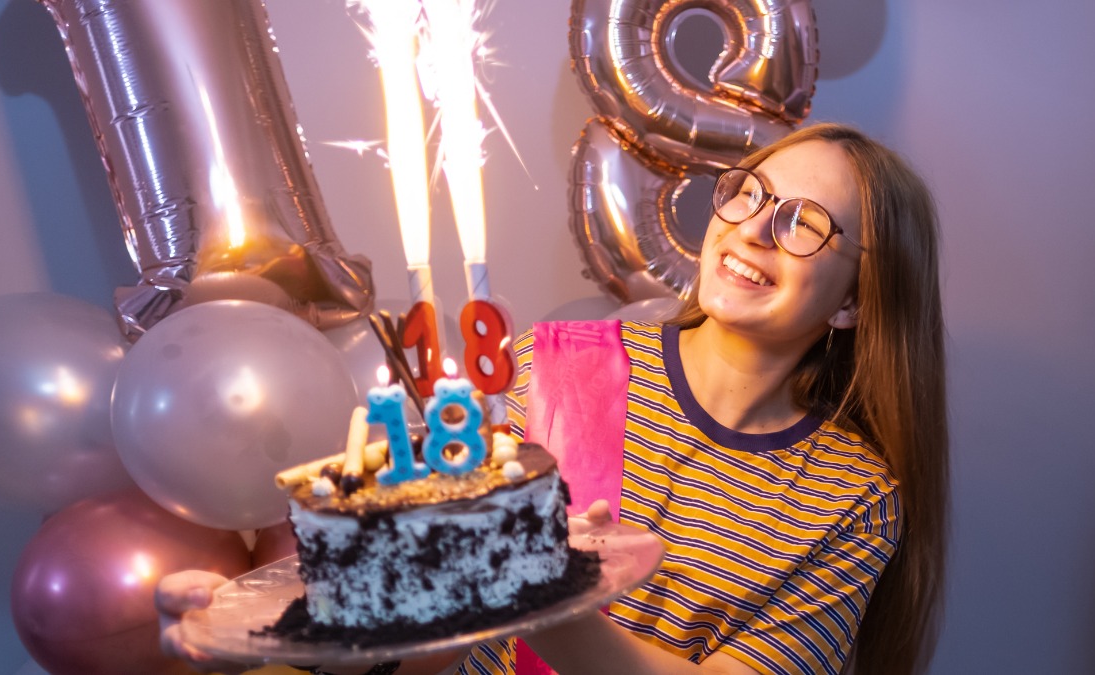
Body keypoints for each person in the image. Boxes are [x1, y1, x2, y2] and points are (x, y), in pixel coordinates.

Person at [157, 122, 949, 675]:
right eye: (748, 194)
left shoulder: (852, 498)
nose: (751, 230)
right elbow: (419, 598)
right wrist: (270, 625)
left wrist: (545, 592)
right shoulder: (554, 370)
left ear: (854, 299)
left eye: (803, 223)